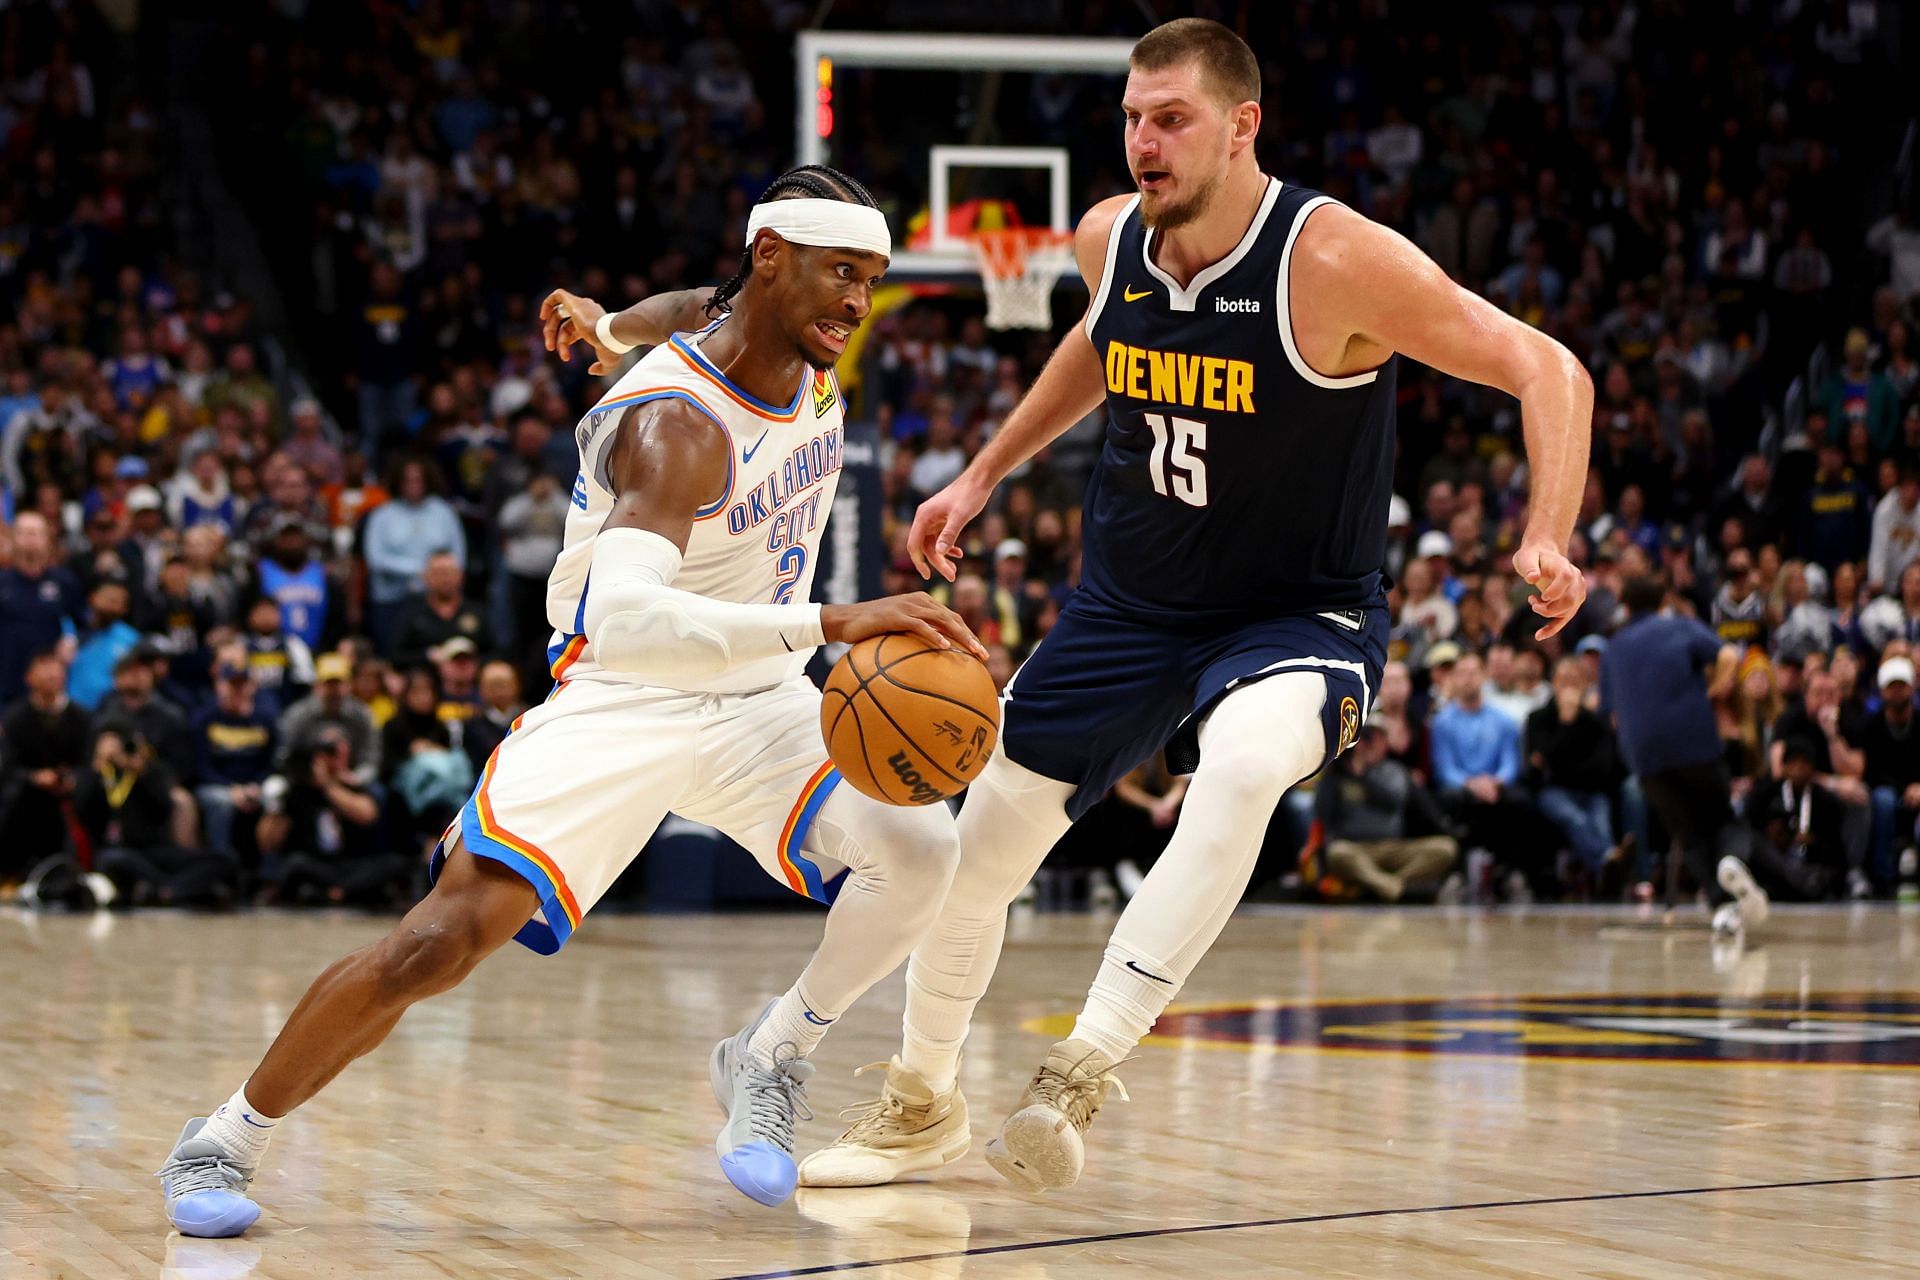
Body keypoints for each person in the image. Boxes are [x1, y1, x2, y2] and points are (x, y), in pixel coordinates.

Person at [800, 19, 1590, 1193]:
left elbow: (1549, 368)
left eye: (1169, 119)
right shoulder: (1109, 237)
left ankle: (1081, 1067)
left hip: (1295, 614)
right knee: (980, 847)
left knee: (1241, 764)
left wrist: (1545, 531)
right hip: (1130, 605)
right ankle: (922, 1097)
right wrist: (982, 472)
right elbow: (1098, 341)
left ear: (1241, 125)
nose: (1143, 143)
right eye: (1131, 118)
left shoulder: (1333, 260)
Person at [159, 166, 983, 1236]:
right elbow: (631, 618)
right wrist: (832, 622)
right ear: (774, 259)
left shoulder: (777, 327)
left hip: (758, 697)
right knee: (441, 940)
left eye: (869, 281)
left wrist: (609, 323)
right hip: (625, 694)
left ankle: (770, 1055)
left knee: (922, 849)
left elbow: (696, 303)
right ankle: (224, 1135)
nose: (855, 306)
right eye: (840, 274)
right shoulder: (675, 428)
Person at [1600, 575, 1770, 936]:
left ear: (1626, 607)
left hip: (1644, 757)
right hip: (1692, 741)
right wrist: (1715, 686)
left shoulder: (1612, 648)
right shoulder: (1679, 627)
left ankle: (1723, 909)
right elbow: (1727, 654)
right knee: (1723, 820)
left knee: (1690, 835)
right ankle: (1732, 861)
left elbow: (1611, 713)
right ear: (1663, 603)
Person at [1314, 722, 1457, 902]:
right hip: (1356, 849)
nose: (1370, 744)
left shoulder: (1395, 772)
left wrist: (1362, 777)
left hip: (1394, 848)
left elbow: (1393, 801)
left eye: (1376, 738)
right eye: (1365, 737)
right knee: (1337, 853)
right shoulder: (1338, 774)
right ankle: (1392, 888)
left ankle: (1382, 886)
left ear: (1385, 742)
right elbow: (1321, 813)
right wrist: (1338, 772)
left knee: (1444, 848)